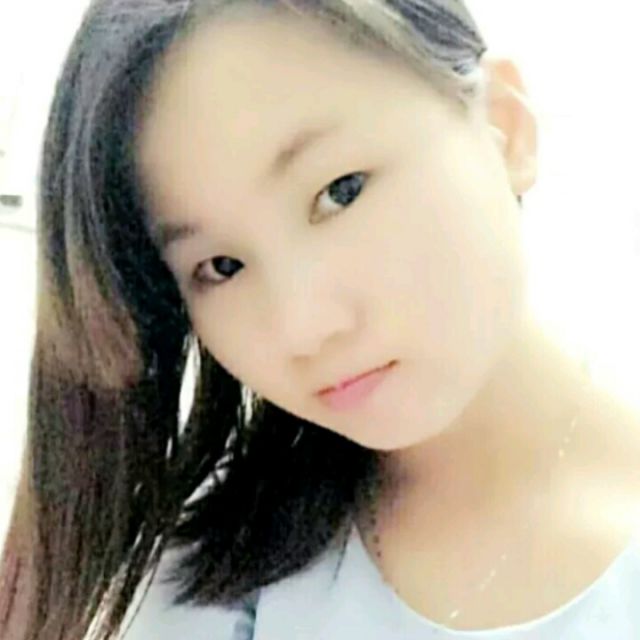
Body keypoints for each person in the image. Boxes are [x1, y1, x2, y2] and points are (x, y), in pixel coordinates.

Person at [1, 0, 639, 638]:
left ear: (504, 126)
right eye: (222, 267)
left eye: (341, 191)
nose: (302, 329)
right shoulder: (217, 570)